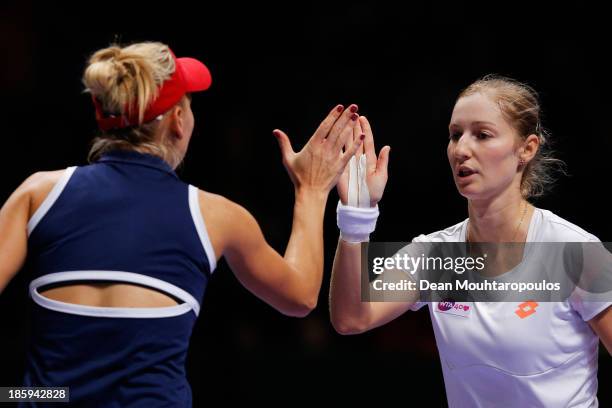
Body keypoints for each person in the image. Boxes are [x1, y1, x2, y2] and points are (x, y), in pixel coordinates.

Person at [0, 41, 364, 406]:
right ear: (177, 121)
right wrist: (312, 189)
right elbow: (300, 297)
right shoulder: (215, 215)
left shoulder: (38, 194)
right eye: (189, 103)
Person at [329, 75, 612, 407]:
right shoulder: (434, 255)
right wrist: (356, 219)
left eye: (482, 135)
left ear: (527, 148)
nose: (461, 149)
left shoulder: (576, 252)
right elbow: (351, 318)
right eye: (455, 135)